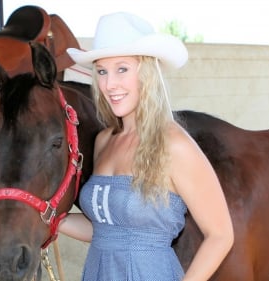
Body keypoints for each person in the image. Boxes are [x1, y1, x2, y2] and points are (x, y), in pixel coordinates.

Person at [59, 12, 234, 281]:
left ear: (148, 73)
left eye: (122, 69)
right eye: (102, 72)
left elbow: (221, 235)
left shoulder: (174, 145)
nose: (109, 84)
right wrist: (50, 218)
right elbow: (107, 231)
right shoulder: (104, 141)